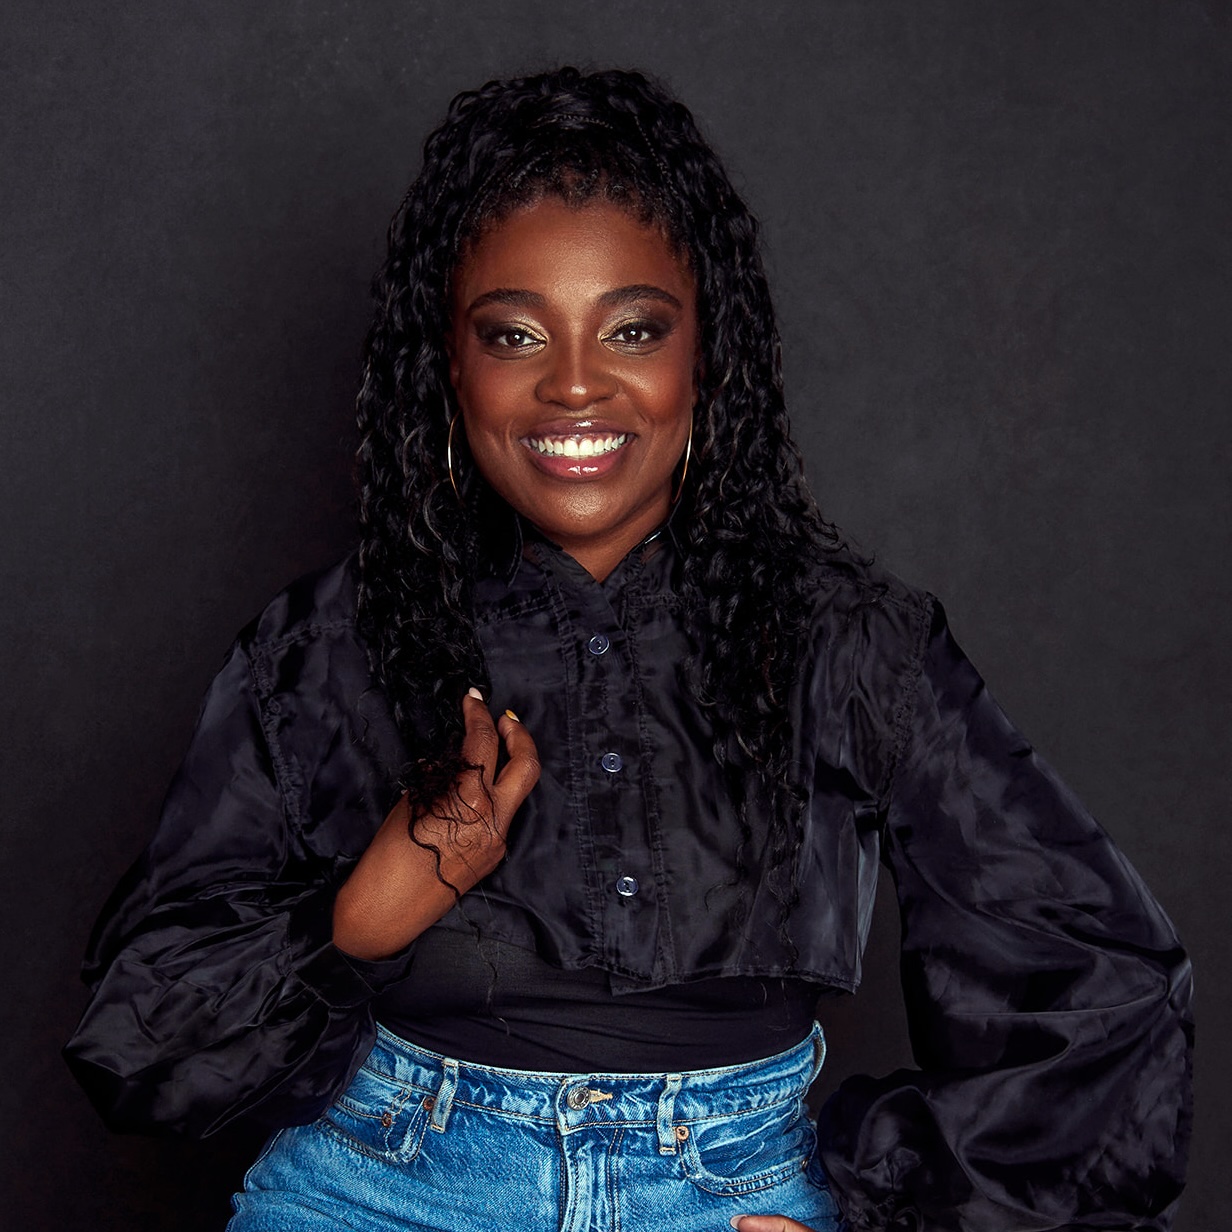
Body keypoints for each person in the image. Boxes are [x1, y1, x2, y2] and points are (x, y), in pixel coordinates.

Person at [65, 67, 1192, 1232]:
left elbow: (1107, 984)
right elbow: (141, 1035)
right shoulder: (322, 647)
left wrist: (887, 1212)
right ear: (450, 368)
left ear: (704, 352)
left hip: (741, 1192)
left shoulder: (850, 642)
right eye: (512, 332)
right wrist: (354, 920)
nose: (571, 383)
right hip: (381, 1185)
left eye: (631, 327)